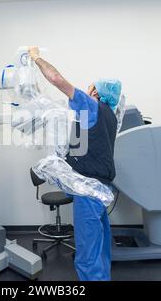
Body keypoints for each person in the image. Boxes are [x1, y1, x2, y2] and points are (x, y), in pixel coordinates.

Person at [28, 46, 122, 281]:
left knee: (88, 254)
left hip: (88, 190)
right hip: (102, 189)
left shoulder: (91, 107)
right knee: (100, 248)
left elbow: (56, 79)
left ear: (94, 91)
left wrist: (36, 57)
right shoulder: (109, 114)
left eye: (90, 86)